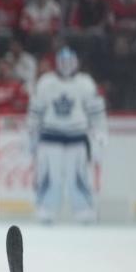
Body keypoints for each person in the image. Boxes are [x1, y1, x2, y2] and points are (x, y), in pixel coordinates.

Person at [27, 47, 107, 223]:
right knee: (49, 176)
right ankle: (46, 209)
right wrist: (31, 133)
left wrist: (100, 133)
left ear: (76, 62)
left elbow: (96, 113)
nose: (66, 66)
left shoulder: (85, 83)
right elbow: (35, 112)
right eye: (63, 62)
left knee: (78, 176)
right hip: (50, 137)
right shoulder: (46, 82)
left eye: (70, 62)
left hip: (77, 137)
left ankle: (84, 210)